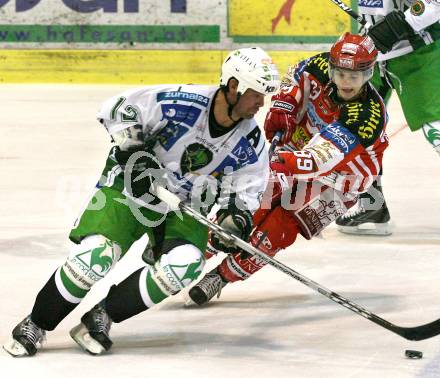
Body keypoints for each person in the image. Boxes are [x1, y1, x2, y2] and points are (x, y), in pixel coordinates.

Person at [3, 47, 280, 357]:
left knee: (184, 265)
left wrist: (236, 218)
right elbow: (120, 108)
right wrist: (133, 150)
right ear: (233, 86)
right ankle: (36, 323)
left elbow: (248, 187)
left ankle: (101, 316)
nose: (261, 102)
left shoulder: (251, 140)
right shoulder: (181, 102)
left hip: (184, 203)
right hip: (131, 186)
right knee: (94, 257)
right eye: (257, 93)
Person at [188, 32, 389, 306]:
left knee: (279, 226)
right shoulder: (318, 66)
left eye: (354, 76)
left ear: (368, 74)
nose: (346, 82)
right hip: (296, 152)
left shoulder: (368, 115)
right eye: (340, 73)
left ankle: (222, 277)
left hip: (340, 181)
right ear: (331, 66)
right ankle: (196, 252)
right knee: (253, 202)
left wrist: (277, 162)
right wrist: (284, 106)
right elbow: (295, 75)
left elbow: (319, 160)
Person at [335, 0, 440, 235]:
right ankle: (373, 206)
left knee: (436, 130)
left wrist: (392, 27)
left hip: (420, 55)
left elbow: (432, 7)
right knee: (357, 129)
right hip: (375, 58)